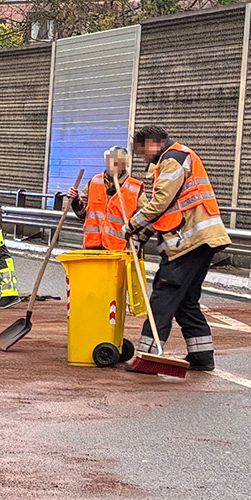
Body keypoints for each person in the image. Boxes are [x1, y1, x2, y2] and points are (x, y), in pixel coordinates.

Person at [127, 126, 231, 372]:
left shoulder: (173, 159)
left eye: (142, 152)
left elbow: (161, 202)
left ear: (152, 144)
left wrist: (132, 225)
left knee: (165, 292)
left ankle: (149, 354)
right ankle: (201, 355)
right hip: (198, 240)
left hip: (189, 240)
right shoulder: (172, 160)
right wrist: (141, 234)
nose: (143, 158)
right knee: (185, 300)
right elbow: (163, 209)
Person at [67, 147, 140, 251]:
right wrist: (74, 200)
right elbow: (81, 213)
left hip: (120, 251)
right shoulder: (94, 182)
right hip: (93, 247)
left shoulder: (135, 187)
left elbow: (144, 221)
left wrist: (136, 248)